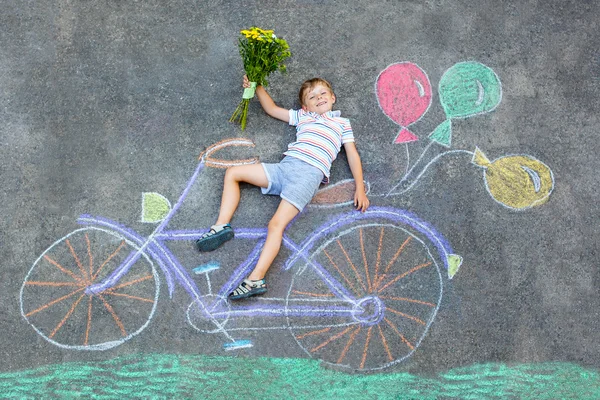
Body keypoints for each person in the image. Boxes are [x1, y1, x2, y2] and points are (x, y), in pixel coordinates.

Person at [196, 75, 370, 300]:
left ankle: (256, 279)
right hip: (284, 169)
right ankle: (221, 226)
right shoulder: (304, 117)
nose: (318, 98)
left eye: (323, 93)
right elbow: (271, 109)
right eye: (312, 96)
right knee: (233, 173)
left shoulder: (342, 124)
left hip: (306, 177)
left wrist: (360, 188)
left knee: (275, 224)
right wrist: (256, 86)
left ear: (333, 98)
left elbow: (352, 155)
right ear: (305, 106)